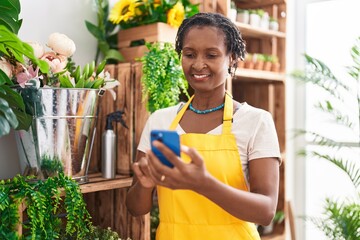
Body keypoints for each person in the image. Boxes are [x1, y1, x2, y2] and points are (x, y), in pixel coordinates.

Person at [126, 12, 281, 240]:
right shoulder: (161, 120)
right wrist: (145, 185)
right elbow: (135, 208)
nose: (198, 64)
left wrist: (204, 183)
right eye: (189, 54)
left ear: (232, 58)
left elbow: (265, 211)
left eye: (211, 54)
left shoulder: (256, 121)